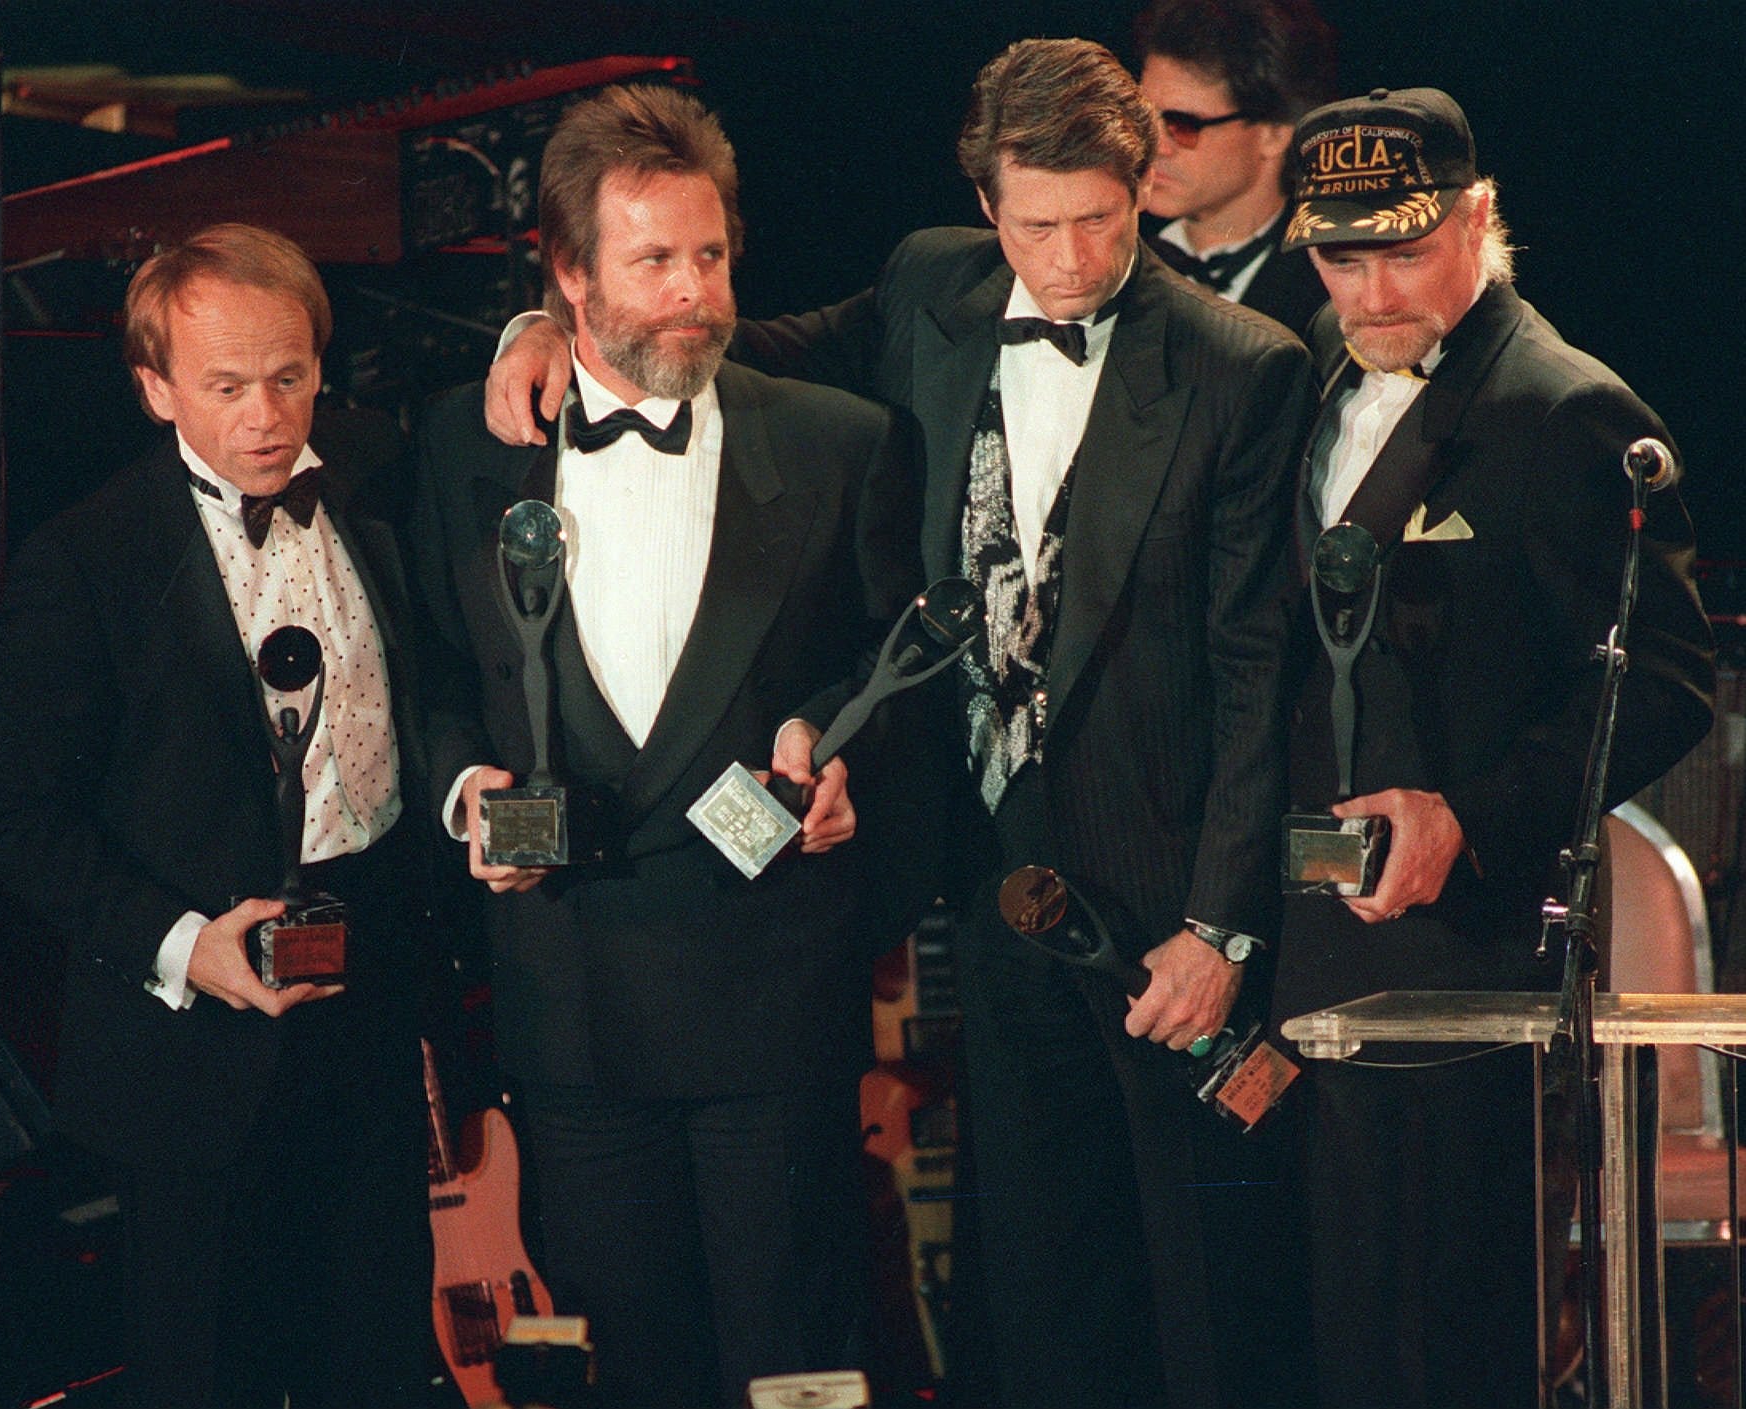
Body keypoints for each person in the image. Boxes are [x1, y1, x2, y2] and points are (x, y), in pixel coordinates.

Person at [487, 36, 1312, 1409]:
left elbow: (1252, 672)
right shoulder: (932, 280)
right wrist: (544, 328)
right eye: (1035, 224)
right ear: (984, 205)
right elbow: (712, 338)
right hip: (986, 865)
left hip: (1161, 878)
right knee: (1034, 1276)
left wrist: (1220, 926)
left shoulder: (1241, 365)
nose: (1066, 258)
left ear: (1143, 183)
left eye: (1099, 220)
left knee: (1197, 1277)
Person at [413, 84, 917, 1407]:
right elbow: (432, 678)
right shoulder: (464, 456)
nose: (695, 291)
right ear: (568, 276)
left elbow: (903, 662)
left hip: (771, 1002)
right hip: (568, 1011)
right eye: (652, 262)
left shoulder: (834, 444)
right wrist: (466, 792)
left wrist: (850, 749)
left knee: (795, 1370)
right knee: (625, 1370)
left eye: (710, 254)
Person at [1271, 87, 1715, 1406]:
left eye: (1403, 251)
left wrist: (1468, 811)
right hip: (1310, 938)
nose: (1369, 290)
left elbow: (1666, 683)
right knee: (1336, 1325)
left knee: (1440, 1328)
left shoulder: (1559, 408)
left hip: (1468, 962)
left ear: (1477, 220)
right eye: (1339, 257)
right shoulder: (1300, 373)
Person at [0, 224, 436, 1407]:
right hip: (191, 1045)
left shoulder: (383, 469)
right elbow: (9, 809)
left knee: (376, 1358)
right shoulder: (87, 557)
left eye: (290, 376)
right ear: (154, 384)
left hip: (374, 1001)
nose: (266, 416)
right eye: (225, 386)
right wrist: (184, 944)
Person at [1135, 0, 1336, 334]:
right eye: (1141, 113)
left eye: (1182, 124)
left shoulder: (1330, 293)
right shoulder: (1112, 263)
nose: (1152, 146)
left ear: (1273, 134)